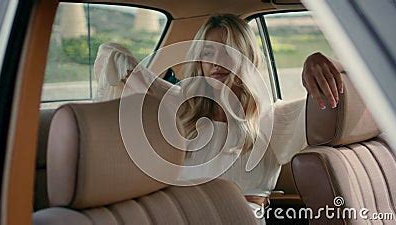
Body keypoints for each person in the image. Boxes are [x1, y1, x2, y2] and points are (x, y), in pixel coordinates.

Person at [97, 14, 344, 224]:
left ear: (246, 57)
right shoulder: (178, 106)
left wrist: (321, 61)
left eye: (228, 51)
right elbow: (111, 53)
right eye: (208, 52)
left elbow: (344, 97)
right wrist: (140, 82)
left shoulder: (273, 119)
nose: (216, 61)